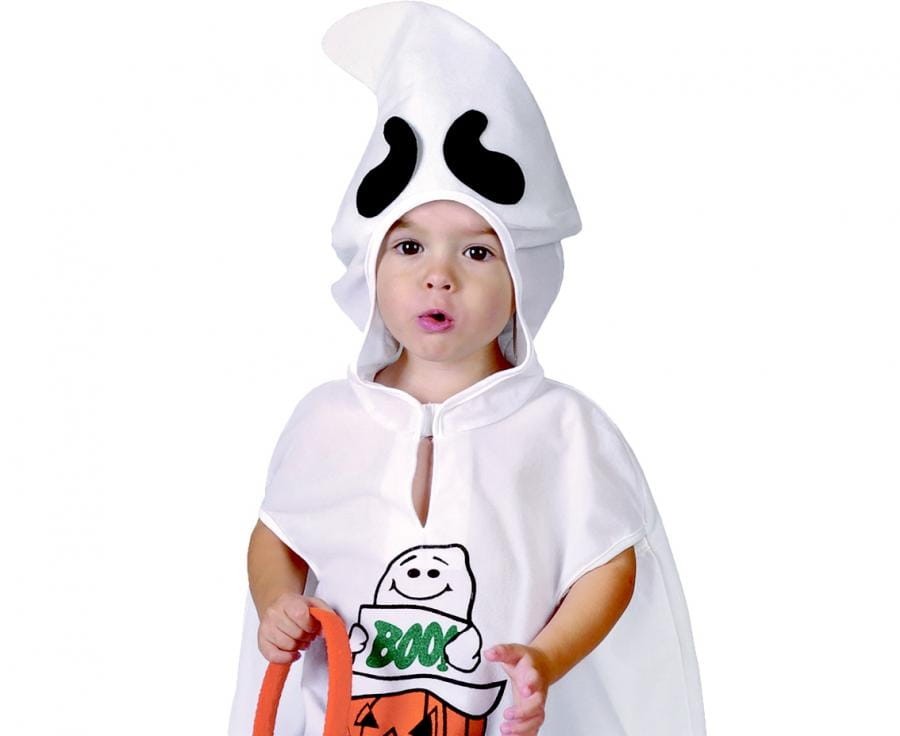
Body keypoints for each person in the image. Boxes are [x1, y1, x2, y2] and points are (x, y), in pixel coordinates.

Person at [228, 3, 705, 735]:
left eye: (477, 252)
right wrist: (276, 603)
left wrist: (547, 657)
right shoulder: (325, 420)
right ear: (369, 266)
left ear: (522, 278)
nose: (439, 275)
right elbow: (280, 533)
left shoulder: (562, 428)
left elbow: (608, 564)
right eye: (409, 246)